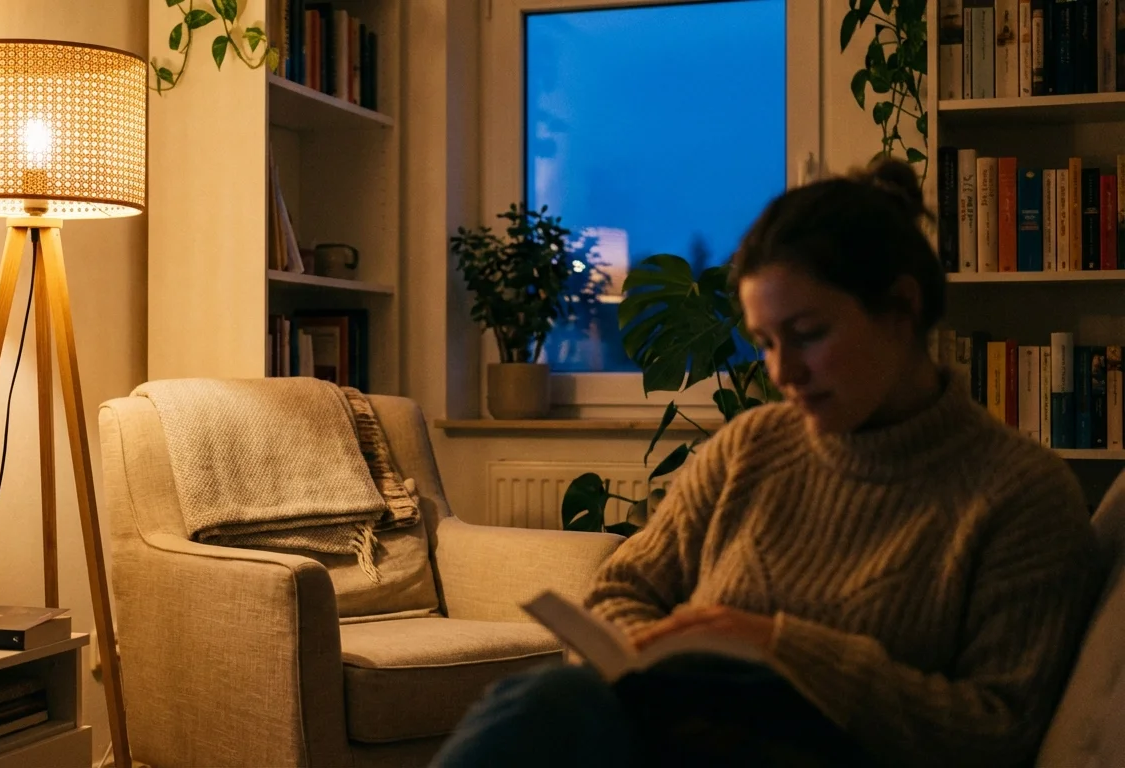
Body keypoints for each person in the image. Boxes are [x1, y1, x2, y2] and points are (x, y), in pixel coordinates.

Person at [431, 159, 1103, 768]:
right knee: (544, 700)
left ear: (902, 307)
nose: (783, 373)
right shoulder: (750, 446)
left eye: (808, 335)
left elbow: (997, 730)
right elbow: (619, 593)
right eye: (766, 343)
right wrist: (656, 667)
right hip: (674, 734)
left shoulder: (1019, 494)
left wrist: (782, 647)